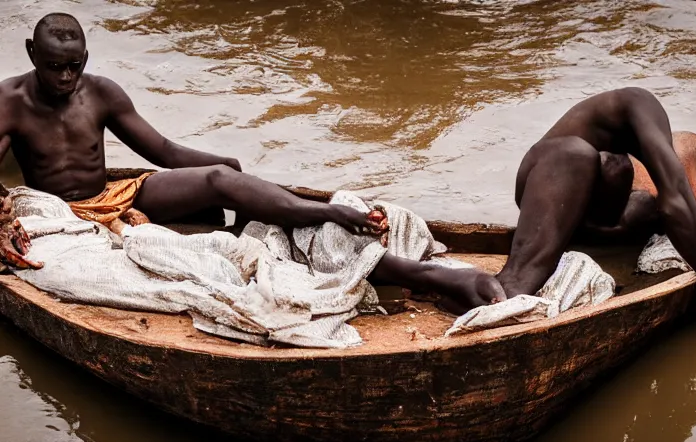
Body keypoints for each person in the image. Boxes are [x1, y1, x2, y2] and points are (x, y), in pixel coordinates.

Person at [0, 13, 505, 313]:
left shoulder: (101, 92)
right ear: (30, 54)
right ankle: (360, 243)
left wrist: (229, 167)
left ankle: (324, 214)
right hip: (57, 212)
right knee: (204, 257)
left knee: (224, 177)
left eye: (76, 65)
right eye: (55, 67)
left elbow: (165, 154)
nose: (68, 77)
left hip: (116, 196)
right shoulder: (9, 102)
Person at [495, 87, 696, 319]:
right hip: (553, 184)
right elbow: (679, 207)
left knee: (630, 187)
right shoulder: (686, 140)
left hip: (579, 206)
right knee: (519, 284)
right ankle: (454, 280)